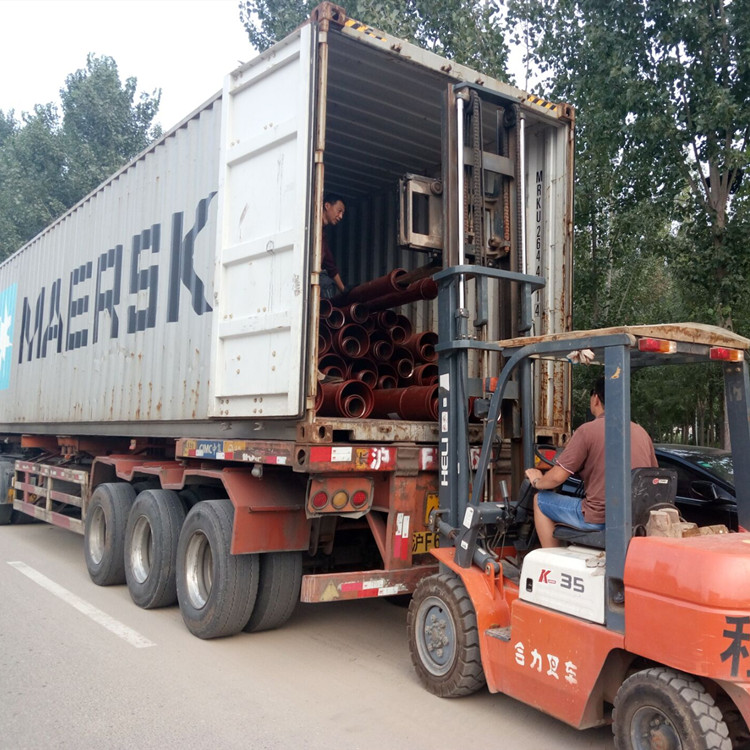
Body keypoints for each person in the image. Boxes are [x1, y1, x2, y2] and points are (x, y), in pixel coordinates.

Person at [524, 376, 657, 547]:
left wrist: (537, 480)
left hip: (599, 518)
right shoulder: (642, 433)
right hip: (634, 518)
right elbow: (652, 475)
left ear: (596, 399)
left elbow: (556, 478)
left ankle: (549, 558)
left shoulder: (587, 431)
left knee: (540, 500)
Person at [320, 193, 346, 299]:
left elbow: (330, 265)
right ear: (327, 206)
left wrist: (344, 290)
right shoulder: (310, 225)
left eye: (342, 213)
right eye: (339, 211)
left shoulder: (322, 235)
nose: (341, 216)